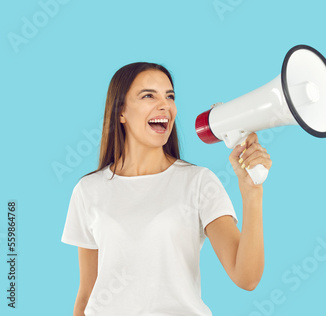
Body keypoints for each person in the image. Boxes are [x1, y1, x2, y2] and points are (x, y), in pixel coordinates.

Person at [60, 62, 272, 316]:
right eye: (148, 95)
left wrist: (252, 192)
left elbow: (246, 277)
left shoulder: (198, 182)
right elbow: (86, 294)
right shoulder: (88, 190)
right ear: (121, 112)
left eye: (170, 96)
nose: (165, 105)